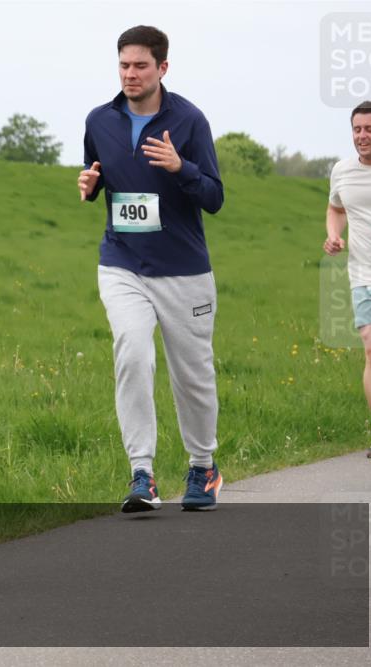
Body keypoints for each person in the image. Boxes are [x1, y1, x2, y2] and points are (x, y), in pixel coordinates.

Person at [78, 26, 225, 512]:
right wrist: (90, 184)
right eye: (123, 65)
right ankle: (142, 473)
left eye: (140, 65)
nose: (130, 74)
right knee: (133, 354)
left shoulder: (189, 120)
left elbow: (214, 197)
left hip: (183, 269)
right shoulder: (99, 120)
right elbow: (100, 176)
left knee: (192, 374)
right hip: (122, 263)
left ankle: (203, 467)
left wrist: (180, 167)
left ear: (162, 68)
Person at [323, 100, 371, 459]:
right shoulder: (342, 170)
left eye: (369, 129)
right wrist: (334, 234)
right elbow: (336, 208)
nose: (361, 136)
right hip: (366, 275)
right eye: (357, 129)